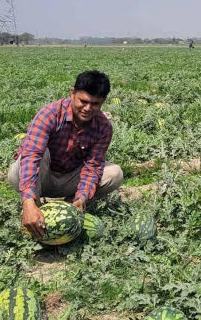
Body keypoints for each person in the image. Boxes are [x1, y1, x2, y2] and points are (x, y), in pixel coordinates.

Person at [8, 70, 124, 238]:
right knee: (36, 155)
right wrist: (28, 203)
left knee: (115, 174)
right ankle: (34, 207)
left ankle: (68, 207)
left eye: (95, 104)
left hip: (69, 179)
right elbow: (32, 156)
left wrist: (81, 199)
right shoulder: (50, 114)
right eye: (83, 101)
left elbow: (93, 167)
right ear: (72, 93)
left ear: (103, 101)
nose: (87, 108)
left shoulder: (104, 128)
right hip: (42, 176)